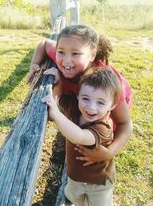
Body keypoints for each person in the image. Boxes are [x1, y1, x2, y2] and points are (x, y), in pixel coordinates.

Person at [42, 66, 122, 206]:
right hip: (75, 176)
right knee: (78, 201)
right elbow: (59, 95)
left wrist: (55, 113)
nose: (91, 107)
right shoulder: (74, 107)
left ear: (112, 106)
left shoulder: (103, 127)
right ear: (78, 96)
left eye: (101, 102)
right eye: (85, 98)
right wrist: (58, 79)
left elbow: (78, 135)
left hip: (99, 181)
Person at [27, 24, 132, 166]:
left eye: (75, 54)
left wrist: (109, 152)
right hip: (85, 98)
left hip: (111, 99)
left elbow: (124, 123)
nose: (66, 60)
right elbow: (44, 43)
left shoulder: (104, 86)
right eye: (61, 52)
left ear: (92, 55)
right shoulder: (68, 54)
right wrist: (34, 64)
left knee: (100, 131)